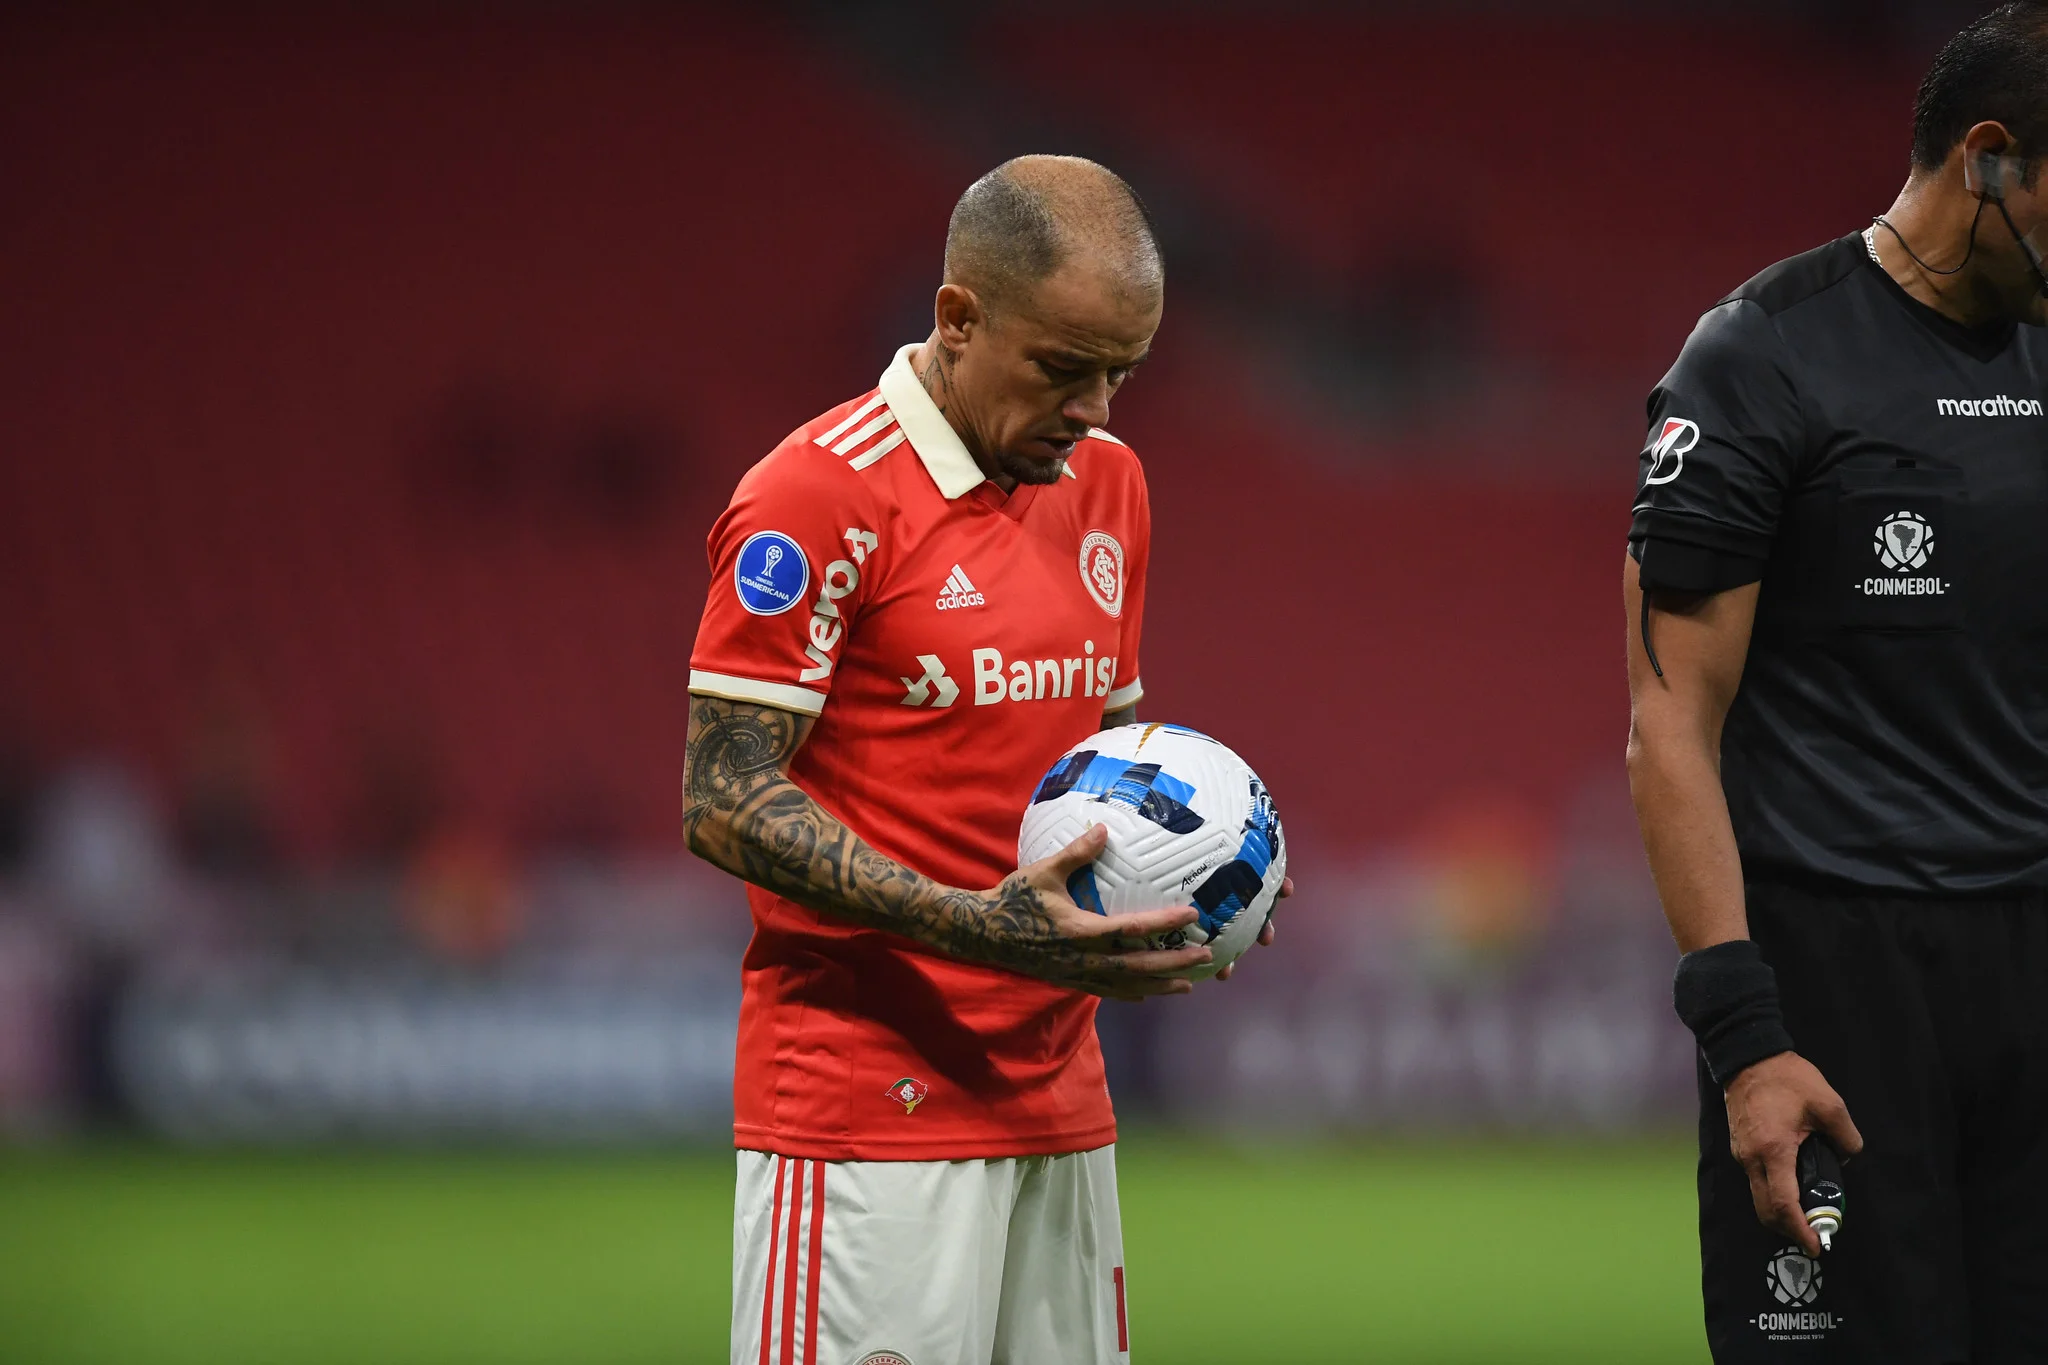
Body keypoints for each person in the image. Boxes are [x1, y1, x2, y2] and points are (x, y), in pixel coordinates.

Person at [683, 154, 1283, 1365]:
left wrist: (1209, 879)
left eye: (1121, 373)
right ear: (957, 318)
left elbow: (1100, 770)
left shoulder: (1106, 485)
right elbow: (722, 795)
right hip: (862, 1109)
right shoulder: (814, 496)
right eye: (1065, 370)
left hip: (1059, 1100)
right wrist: (973, 926)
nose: (1097, 411)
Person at [1625, 6, 2048, 1360]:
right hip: (1838, 990)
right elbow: (1667, 720)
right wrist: (1746, 1039)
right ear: (1988, 160)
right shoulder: (1759, 360)